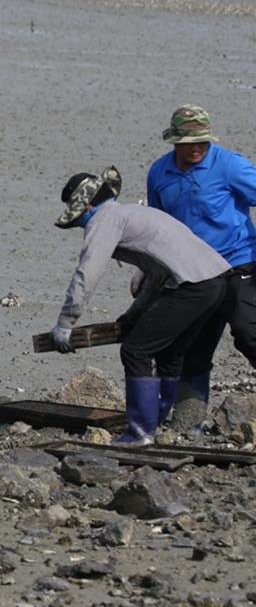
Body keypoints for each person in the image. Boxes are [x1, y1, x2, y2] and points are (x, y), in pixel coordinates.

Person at [51, 166, 228, 444]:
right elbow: (157, 275)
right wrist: (133, 314)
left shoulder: (104, 221)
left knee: (136, 350)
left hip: (191, 286)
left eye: (79, 219)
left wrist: (65, 323)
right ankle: (162, 423)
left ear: (86, 206)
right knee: (170, 352)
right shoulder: (133, 213)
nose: (81, 226)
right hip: (216, 281)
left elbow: (88, 272)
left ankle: (140, 431)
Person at [146, 104, 256, 412]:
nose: (195, 148)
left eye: (201, 142)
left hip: (238, 263)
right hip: (193, 273)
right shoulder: (159, 173)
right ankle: (188, 420)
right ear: (174, 142)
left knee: (250, 333)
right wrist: (148, 271)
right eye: (187, 143)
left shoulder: (230, 166)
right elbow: (157, 226)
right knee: (189, 347)